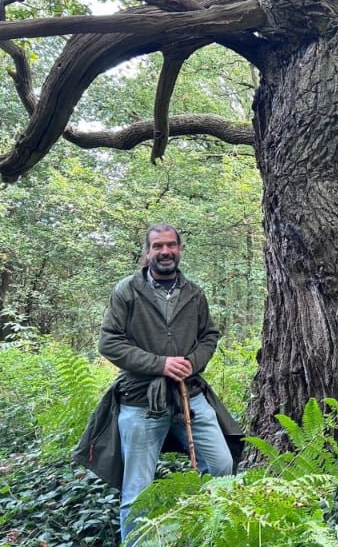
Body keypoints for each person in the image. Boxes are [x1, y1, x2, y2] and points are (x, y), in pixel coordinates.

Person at [73, 223, 242, 544]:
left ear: (179, 249)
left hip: (189, 395)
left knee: (221, 465)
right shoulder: (127, 290)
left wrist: (192, 362)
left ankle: (205, 534)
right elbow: (109, 343)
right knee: (137, 488)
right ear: (147, 252)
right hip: (140, 401)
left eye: (171, 245)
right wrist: (161, 364)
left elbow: (209, 335)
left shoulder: (194, 293)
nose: (165, 252)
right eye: (158, 246)